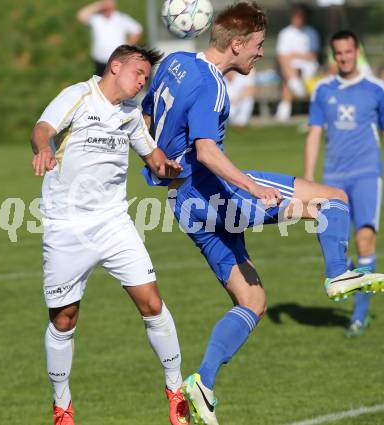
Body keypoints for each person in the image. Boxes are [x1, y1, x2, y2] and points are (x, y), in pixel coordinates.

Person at [141, 3, 384, 424]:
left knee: (252, 300)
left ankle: (202, 384)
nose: (259, 53)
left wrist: (154, 159)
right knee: (332, 200)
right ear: (235, 44)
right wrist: (252, 187)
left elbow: (145, 115)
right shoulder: (211, 85)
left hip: (183, 205)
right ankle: (338, 273)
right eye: (256, 45)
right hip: (211, 190)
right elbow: (207, 151)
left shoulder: (175, 62)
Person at [31, 45, 190, 425]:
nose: (142, 81)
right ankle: (62, 406)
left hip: (113, 221)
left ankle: (176, 392)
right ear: (115, 66)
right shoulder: (79, 95)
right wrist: (43, 149)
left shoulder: (132, 115)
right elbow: (43, 128)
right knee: (64, 318)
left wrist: (177, 170)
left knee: (151, 302)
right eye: (139, 72)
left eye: (147, 78)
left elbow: (154, 160)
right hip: (66, 225)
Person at [304, 30, 384, 338]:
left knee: (365, 239)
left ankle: (358, 317)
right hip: (333, 179)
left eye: (348, 52)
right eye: (338, 53)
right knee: (335, 244)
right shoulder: (323, 90)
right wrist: (308, 177)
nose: (344, 57)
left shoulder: (377, 89)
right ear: (332, 55)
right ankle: (348, 272)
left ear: (357, 51)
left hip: (366, 174)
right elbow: (313, 133)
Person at [275, 3, 320, 121]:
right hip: (290, 68)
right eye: (296, 16)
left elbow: (313, 55)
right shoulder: (285, 33)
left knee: (290, 82)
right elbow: (282, 56)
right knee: (288, 77)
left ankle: (314, 112)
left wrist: (295, 54)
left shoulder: (312, 32)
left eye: (301, 16)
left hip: (308, 67)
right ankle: (294, 83)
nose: (299, 19)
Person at [77, 0, 143, 76]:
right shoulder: (96, 18)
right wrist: (98, 5)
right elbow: (81, 15)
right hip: (100, 61)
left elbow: (137, 30)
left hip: (118, 60)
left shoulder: (121, 18)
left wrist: (128, 46)